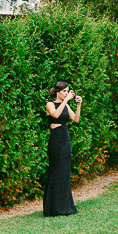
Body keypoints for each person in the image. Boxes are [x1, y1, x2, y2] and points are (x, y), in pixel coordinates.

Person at [43, 81, 82, 216]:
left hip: (65, 140)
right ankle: (52, 207)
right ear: (58, 92)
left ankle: (65, 207)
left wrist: (78, 105)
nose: (67, 93)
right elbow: (55, 115)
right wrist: (65, 100)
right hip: (55, 141)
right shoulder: (50, 104)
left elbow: (75, 119)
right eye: (64, 91)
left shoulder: (66, 105)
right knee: (55, 171)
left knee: (64, 172)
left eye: (67, 91)